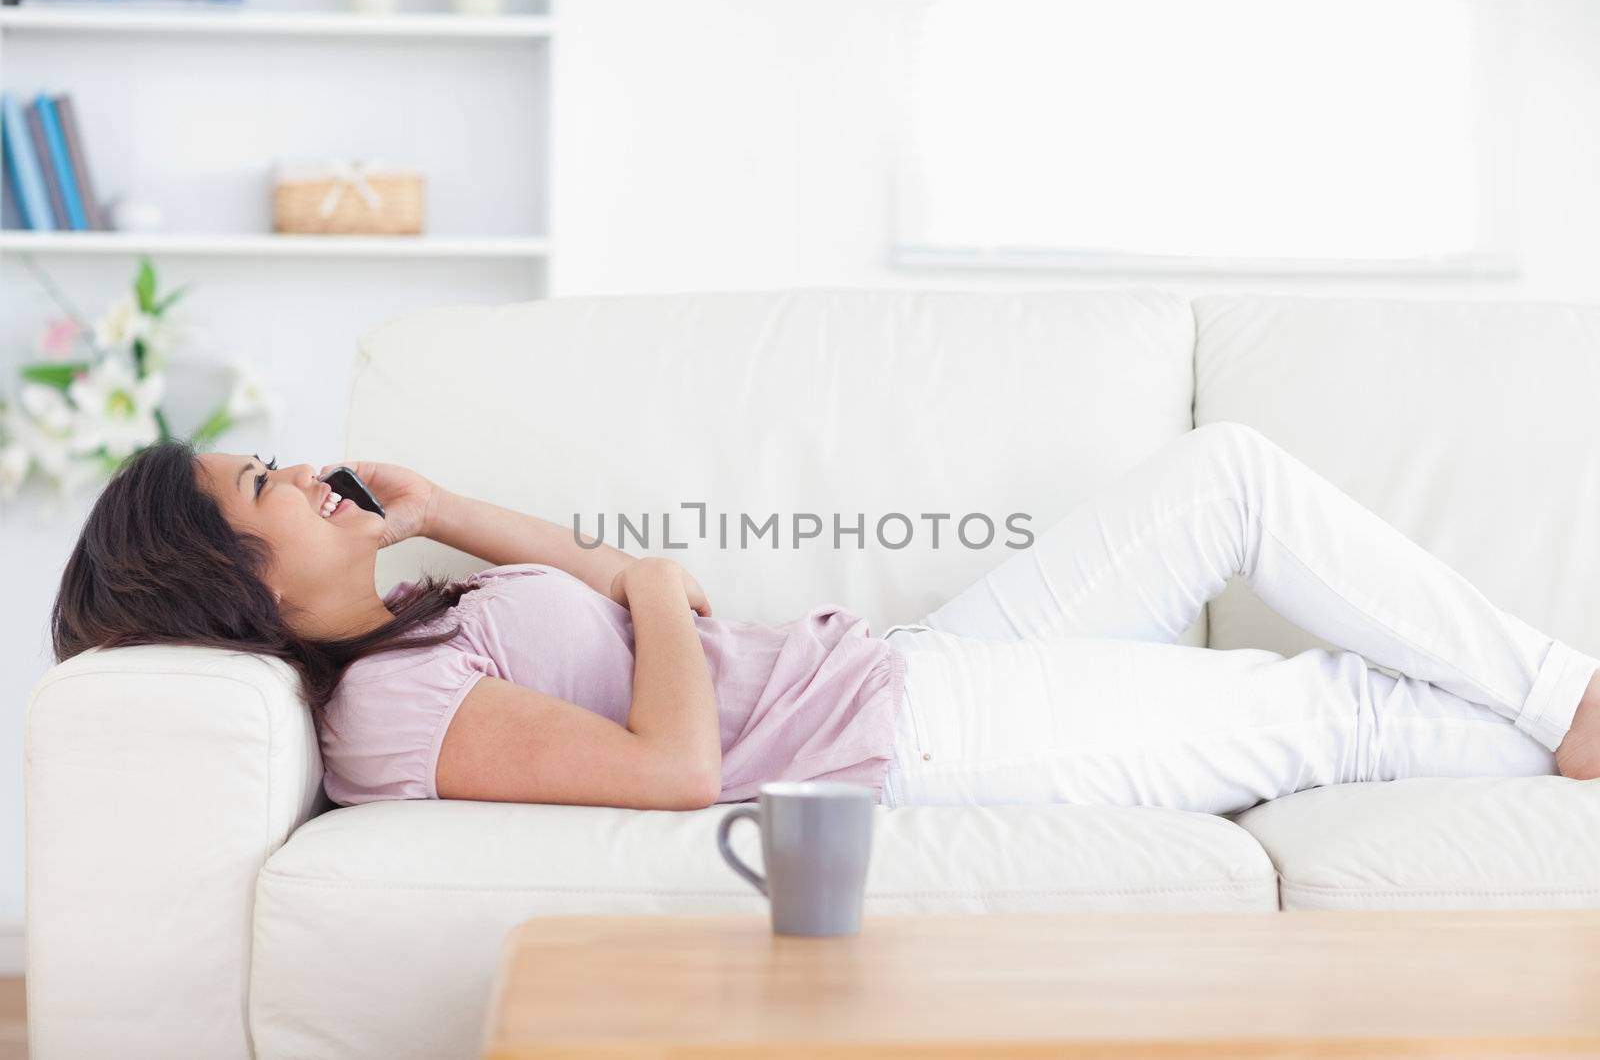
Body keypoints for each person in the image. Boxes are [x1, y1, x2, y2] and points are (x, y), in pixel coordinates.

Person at [50, 421, 1600, 816]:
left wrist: (446, 510)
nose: (298, 473)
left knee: (1228, 480)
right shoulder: (388, 716)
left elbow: (682, 604)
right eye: (263, 487)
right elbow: (671, 772)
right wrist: (647, 588)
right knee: (1330, 707)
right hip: (903, 748)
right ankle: (1574, 725)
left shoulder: (414, 629)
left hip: (905, 672)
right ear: (227, 578)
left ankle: (1560, 696)